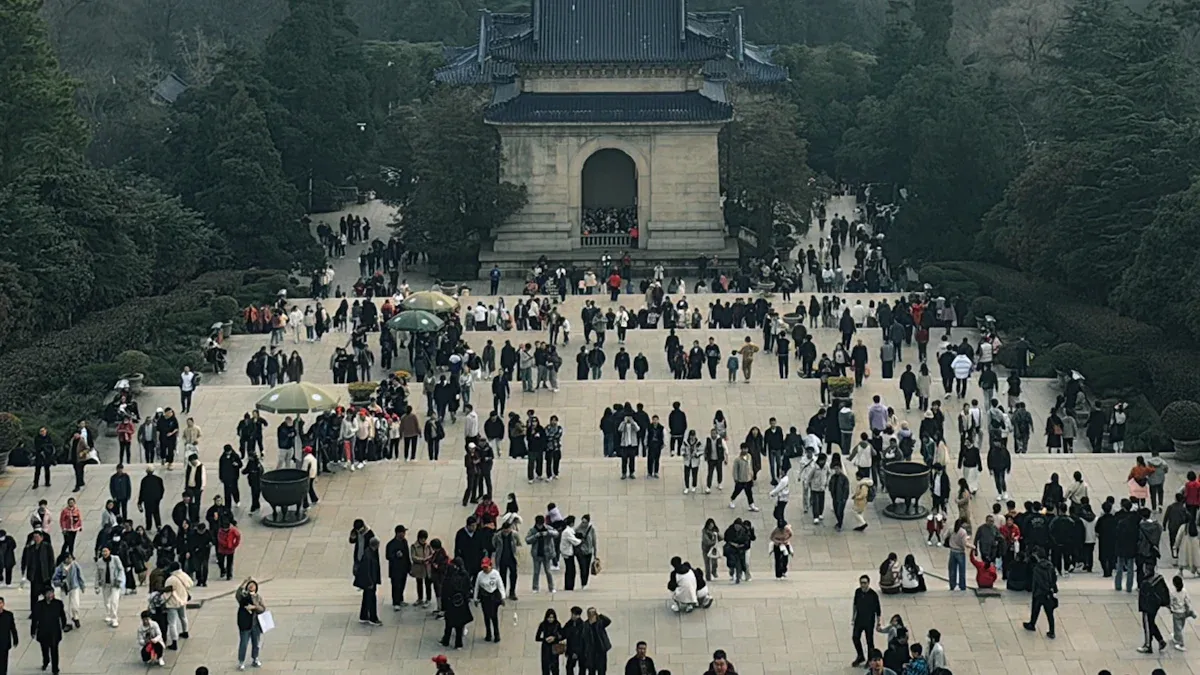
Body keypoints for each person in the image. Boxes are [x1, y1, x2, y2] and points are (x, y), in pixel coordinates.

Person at [1023, 549, 1058, 639]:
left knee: (1035, 609)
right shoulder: (1050, 565)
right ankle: (1052, 630)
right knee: (1049, 613)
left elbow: (1038, 581)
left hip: (1039, 592)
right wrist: (1052, 588)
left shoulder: (1037, 568)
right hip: (1048, 592)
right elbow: (1054, 578)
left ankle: (1032, 624)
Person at [31, 588, 67, 674]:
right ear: (44, 594)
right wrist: (33, 631)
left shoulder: (58, 604)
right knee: (44, 649)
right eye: (48, 593)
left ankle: (55, 668)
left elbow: (62, 616)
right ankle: (46, 660)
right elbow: (35, 619)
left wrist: (64, 625)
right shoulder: (39, 605)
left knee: (54, 649)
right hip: (43, 630)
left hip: (54, 631)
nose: (51, 595)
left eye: (52, 593)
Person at [851, 575, 882, 667]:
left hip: (869, 621)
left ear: (868, 583)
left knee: (869, 641)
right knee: (855, 637)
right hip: (859, 619)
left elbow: (878, 610)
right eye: (861, 583)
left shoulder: (873, 595)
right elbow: (855, 605)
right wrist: (853, 617)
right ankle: (860, 655)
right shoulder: (858, 592)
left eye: (865, 583)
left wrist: (878, 622)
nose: (863, 585)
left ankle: (870, 659)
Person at [473, 557, 506, 642]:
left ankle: (496, 634)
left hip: (494, 596)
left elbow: (500, 585)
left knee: (494, 616)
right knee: (486, 616)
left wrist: (503, 597)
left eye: (486, 567)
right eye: (483, 567)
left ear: (490, 566)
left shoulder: (495, 574)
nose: (485, 569)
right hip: (485, 597)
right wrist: (475, 598)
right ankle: (488, 634)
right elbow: (477, 587)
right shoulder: (480, 575)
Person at [1139, 569, 1171, 653]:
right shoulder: (1159, 578)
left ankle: (1148, 645)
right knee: (1151, 623)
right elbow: (1165, 591)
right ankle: (1160, 641)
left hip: (1148, 606)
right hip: (1155, 605)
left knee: (1147, 624)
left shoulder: (1147, 582)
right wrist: (1167, 603)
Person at [236, 578, 266, 670]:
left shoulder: (258, 597)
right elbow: (238, 594)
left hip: (256, 624)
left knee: (256, 643)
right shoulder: (244, 596)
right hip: (245, 624)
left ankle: (255, 658)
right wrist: (244, 582)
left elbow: (263, 608)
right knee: (244, 643)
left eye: (253, 585)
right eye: (250, 585)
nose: (251, 586)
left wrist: (255, 607)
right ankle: (241, 661)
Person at [50, 554, 84, 630]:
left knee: (75, 605)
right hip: (64, 589)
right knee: (65, 606)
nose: (70, 560)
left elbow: (80, 575)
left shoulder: (75, 565)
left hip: (74, 587)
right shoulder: (59, 568)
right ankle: (68, 623)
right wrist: (60, 583)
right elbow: (54, 579)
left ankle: (75, 617)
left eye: (71, 558)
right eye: (68, 558)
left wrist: (82, 585)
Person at [354, 537, 382, 626]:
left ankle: (364, 616)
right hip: (370, 582)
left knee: (366, 598)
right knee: (371, 599)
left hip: (368, 581)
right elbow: (368, 570)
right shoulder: (369, 555)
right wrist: (370, 582)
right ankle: (373, 618)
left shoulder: (368, 552)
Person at [95, 545, 125, 627]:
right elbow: (97, 574)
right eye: (103, 551)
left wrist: (119, 579)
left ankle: (114, 618)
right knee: (106, 601)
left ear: (109, 551)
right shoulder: (100, 561)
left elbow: (121, 569)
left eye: (106, 551)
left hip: (115, 584)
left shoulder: (115, 559)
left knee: (114, 601)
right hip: (105, 584)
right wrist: (96, 586)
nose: (104, 553)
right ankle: (108, 614)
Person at [581, 607, 612, 675]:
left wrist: (600, 615)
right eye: (590, 613)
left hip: (601, 649)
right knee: (591, 670)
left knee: (602, 670)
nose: (591, 614)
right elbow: (583, 637)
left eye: (593, 612)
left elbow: (608, 621)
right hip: (591, 651)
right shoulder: (585, 624)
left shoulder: (600, 622)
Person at [535, 608, 563, 675]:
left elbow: (561, 635)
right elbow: (537, 637)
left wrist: (555, 638)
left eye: (552, 618)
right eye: (549, 617)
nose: (550, 619)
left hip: (555, 646)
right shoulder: (543, 624)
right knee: (546, 667)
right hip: (546, 647)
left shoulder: (557, 624)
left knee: (555, 667)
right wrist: (545, 639)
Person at [1170, 575, 1194, 651]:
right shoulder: (1184, 591)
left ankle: (1181, 643)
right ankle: (1176, 637)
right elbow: (1187, 600)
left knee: (1177, 628)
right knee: (1181, 625)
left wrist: (1171, 608)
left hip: (1176, 612)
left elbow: (1170, 602)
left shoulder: (1173, 593)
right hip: (1183, 612)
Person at [0, 597, 16, 675]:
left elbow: (12, 628)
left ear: (3, 604)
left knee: (4, 661)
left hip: (4, 642)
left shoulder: (9, 615)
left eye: (0, 603)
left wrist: (15, 639)